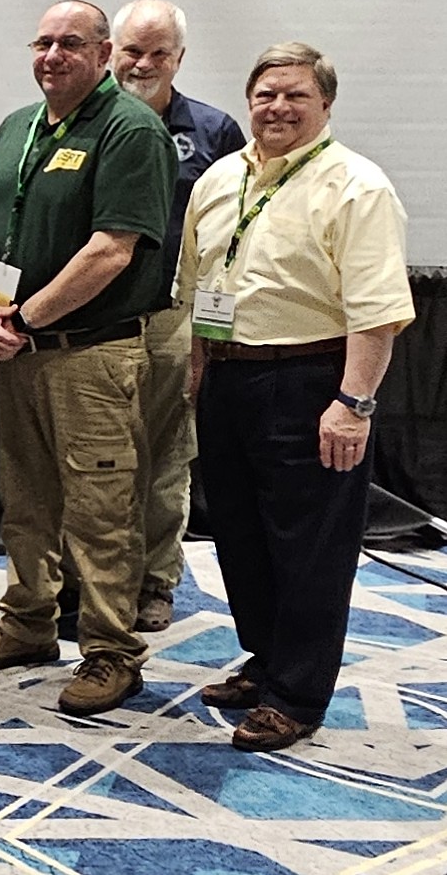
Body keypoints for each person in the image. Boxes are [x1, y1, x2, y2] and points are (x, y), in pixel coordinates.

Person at [183, 42, 412, 752]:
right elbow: (196, 289)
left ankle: (299, 693)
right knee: (242, 535)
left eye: (295, 96)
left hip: (311, 381)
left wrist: (354, 403)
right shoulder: (220, 178)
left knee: (310, 546)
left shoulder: (356, 184)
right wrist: (196, 379)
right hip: (227, 374)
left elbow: (377, 310)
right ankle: (266, 660)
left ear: (325, 105)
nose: (277, 107)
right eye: (265, 94)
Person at [0, 0, 175, 718]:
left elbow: (114, 247)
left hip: (91, 354)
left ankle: (111, 651)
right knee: (24, 498)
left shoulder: (130, 130)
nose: (53, 55)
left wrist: (24, 316)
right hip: (14, 348)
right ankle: (27, 622)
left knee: (100, 509)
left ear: (104, 54)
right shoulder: (17, 126)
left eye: (70, 43)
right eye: (43, 42)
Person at [111, 0, 247, 632]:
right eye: (132, 50)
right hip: (89, 322)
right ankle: (85, 580)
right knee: (92, 458)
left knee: (165, 457)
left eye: (157, 52)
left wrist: (212, 332)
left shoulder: (215, 132)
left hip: (172, 318)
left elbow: (238, 235)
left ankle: (155, 581)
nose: (143, 63)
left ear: (179, 58)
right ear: (111, 53)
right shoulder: (76, 120)